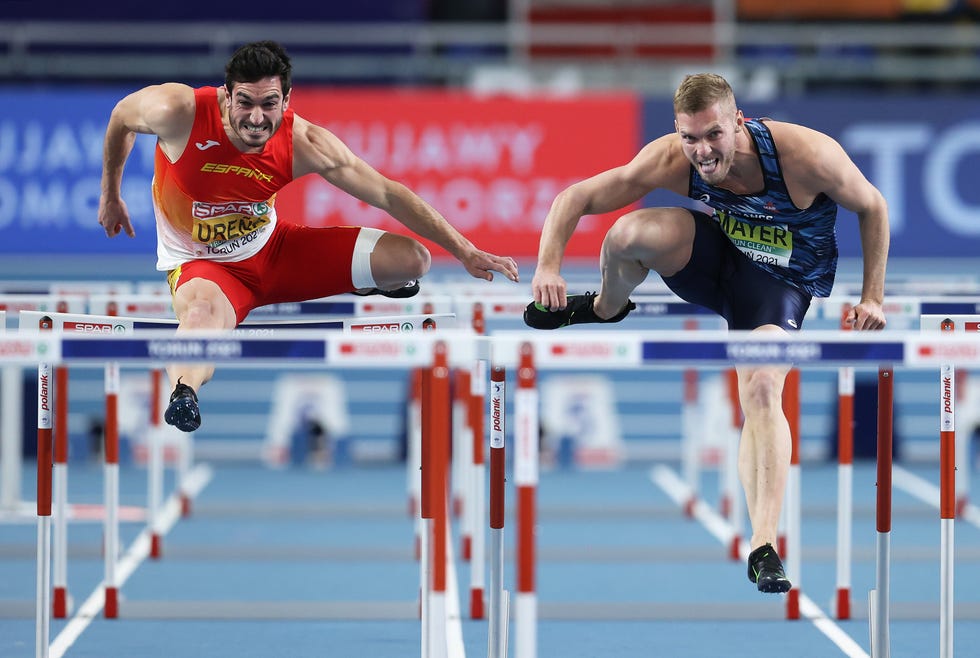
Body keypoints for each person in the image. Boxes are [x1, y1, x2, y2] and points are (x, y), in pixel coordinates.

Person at [524, 73, 888, 594]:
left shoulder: (805, 155)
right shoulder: (672, 158)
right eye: (689, 138)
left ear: (738, 124)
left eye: (713, 135)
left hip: (780, 282)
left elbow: (872, 206)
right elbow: (575, 196)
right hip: (716, 259)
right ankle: (605, 308)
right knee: (627, 233)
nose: (702, 151)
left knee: (762, 388)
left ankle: (763, 544)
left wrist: (872, 297)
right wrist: (549, 266)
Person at [98, 40, 519, 433]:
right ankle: (184, 392)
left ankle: (364, 282)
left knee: (413, 260)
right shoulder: (177, 111)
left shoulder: (305, 142)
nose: (256, 118)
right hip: (206, 269)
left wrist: (465, 250)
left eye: (269, 104)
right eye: (244, 103)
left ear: (287, 100)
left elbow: (388, 194)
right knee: (201, 317)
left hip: (275, 252)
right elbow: (120, 117)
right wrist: (111, 195)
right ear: (227, 97)